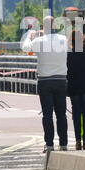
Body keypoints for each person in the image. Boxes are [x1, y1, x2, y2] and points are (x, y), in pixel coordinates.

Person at [22, 16, 69, 153]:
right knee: (61, 114)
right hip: (61, 80)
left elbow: (25, 49)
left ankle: (49, 144)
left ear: (43, 26)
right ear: (55, 25)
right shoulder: (63, 40)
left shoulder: (38, 41)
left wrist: (29, 36)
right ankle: (64, 143)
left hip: (44, 80)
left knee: (47, 115)